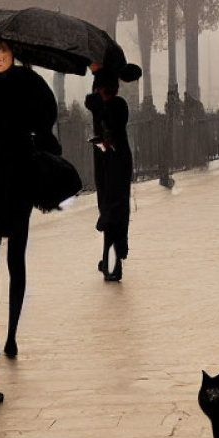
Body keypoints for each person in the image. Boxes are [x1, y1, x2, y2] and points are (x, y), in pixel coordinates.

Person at [0, 38, 60, 358]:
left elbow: (48, 117)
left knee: (15, 257)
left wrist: (33, 137)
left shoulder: (30, 82)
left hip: (17, 176)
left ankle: (11, 334)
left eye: (4, 50)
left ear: (12, 52)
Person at [84, 47, 142, 282]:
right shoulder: (108, 105)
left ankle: (113, 264)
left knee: (113, 213)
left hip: (114, 160)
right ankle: (110, 259)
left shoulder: (115, 105)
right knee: (111, 210)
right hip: (108, 159)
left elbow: (110, 127)